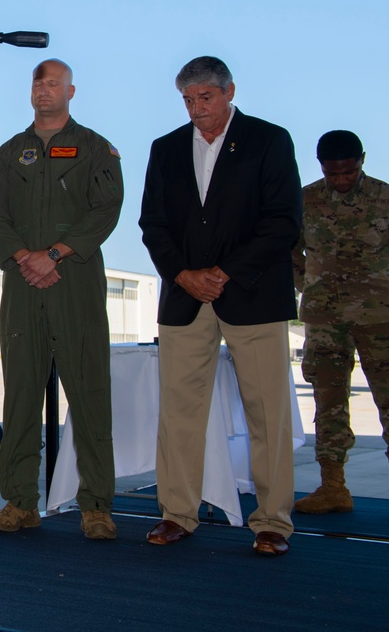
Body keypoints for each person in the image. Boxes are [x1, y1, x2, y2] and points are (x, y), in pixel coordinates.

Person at [138, 56, 302, 556]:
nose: (196, 109)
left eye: (205, 98)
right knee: (180, 411)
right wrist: (184, 275)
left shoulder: (269, 140)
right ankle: (177, 514)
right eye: (187, 100)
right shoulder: (165, 149)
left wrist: (225, 272)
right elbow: (153, 224)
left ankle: (272, 520)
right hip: (185, 298)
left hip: (252, 294)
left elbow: (282, 221)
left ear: (229, 91)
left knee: (267, 412)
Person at [0, 59, 123, 540]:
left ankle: (97, 506)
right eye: (39, 83)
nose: (45, 91)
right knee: (20, 395)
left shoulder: (95, 149)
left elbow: (106, 210)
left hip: (75, 283)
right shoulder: (8, 153)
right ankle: (20, 502)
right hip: (23, 285)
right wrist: (25, 258)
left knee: (88, 395)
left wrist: (56, 255)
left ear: (71, 90)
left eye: (54, 84)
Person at [292, 129, 389, 523]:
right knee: (328, 400)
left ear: (362, 160)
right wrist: (308, 285)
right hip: (324, 319)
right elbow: (288, 247)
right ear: (321, 167)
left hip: (379, 318)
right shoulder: (305, 199)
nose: (340, 180)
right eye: (332, 173)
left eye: (348, 172)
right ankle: (332, 487)